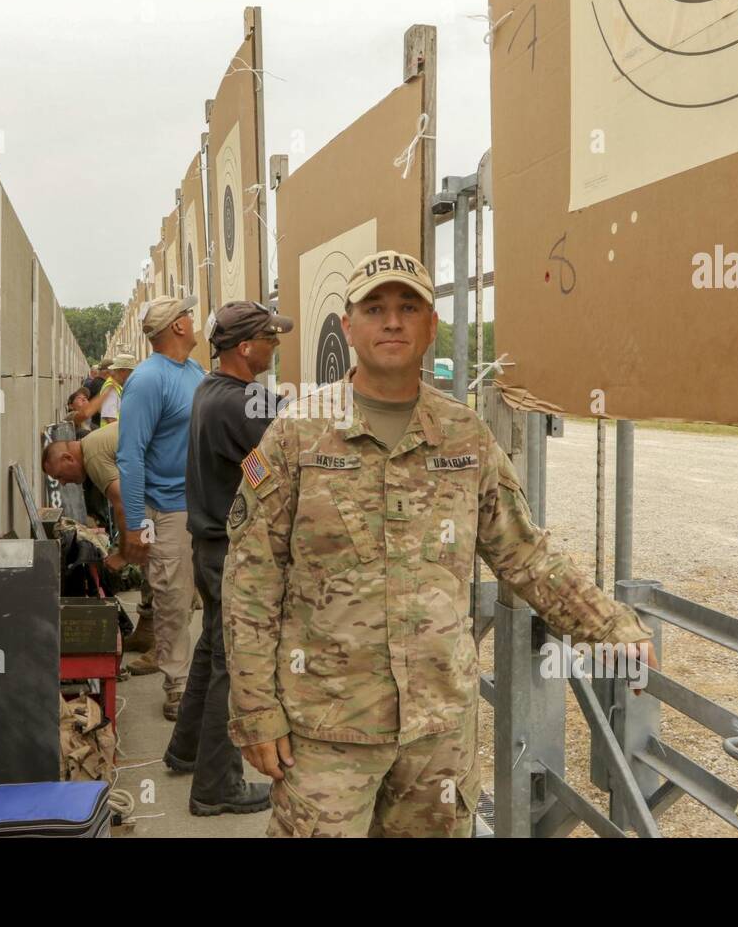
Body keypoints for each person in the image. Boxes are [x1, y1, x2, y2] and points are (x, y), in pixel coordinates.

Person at [222, 250, 656, 837]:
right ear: (348, 326)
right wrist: (254, 709)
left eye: (409, 307)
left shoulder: (464, 435)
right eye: (374, 308)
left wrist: (609, 625)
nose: (392, 321)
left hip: (438, 733)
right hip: (325, 731)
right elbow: (251, 580)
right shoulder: (297, 435)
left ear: (431, 325)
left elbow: (523, 553)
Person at [164, 301, 293, 816]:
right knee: (231, 666)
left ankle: (186, 749)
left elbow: (265, 438)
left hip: (210, 544)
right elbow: (289, 446)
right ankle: (216, 787)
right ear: (245, 348)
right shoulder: (241, 403)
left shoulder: (212, 391)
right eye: (270, 338)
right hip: (229, 549)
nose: (275, 345)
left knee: (210, 650)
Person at [117, 295, 205, 720]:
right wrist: (135, 526)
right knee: (171, 596)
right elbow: (130, 456)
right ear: (177, 327)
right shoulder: (148, 380)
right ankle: (178, 688)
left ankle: (190, 676)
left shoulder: (193, 371)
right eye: (188, 313)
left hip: (194, 506)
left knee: (179, 593)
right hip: (162, 511)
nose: (194, 317)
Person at [42, 425, 155, 654]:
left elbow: (123, 503)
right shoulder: (93, 444)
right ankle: (148, 632)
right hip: (163, 484)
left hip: (169, 488)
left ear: (68, 458)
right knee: (152, 561)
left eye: (60, 476)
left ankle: (161, 645)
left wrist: (123, 555)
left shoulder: (93, 455)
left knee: (157, 564)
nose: (63, 484)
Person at [96, 354, 135, 427]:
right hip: (113, 435)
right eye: (131, 372)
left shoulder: (118, 386)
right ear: (123, 371)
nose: (132, 375)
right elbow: (110, 419)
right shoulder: (111, 388)